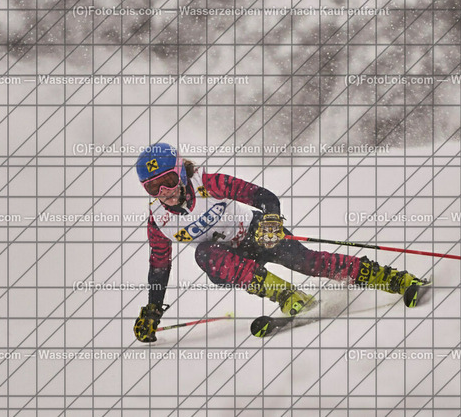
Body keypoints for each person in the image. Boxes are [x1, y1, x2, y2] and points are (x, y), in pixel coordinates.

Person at [133, 143, 428, 342]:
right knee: (204, 253)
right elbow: (159, 267)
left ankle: (392, 279)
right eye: (153, 187)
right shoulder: (159, 222)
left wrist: (271, 220)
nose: (164, 192)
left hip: (256, 233)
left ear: (182, 172)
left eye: (168, 180)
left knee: (307, 262)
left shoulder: (209, 184)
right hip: (227, 260)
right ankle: (288, 296)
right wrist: (153, 310)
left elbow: (263, 196)